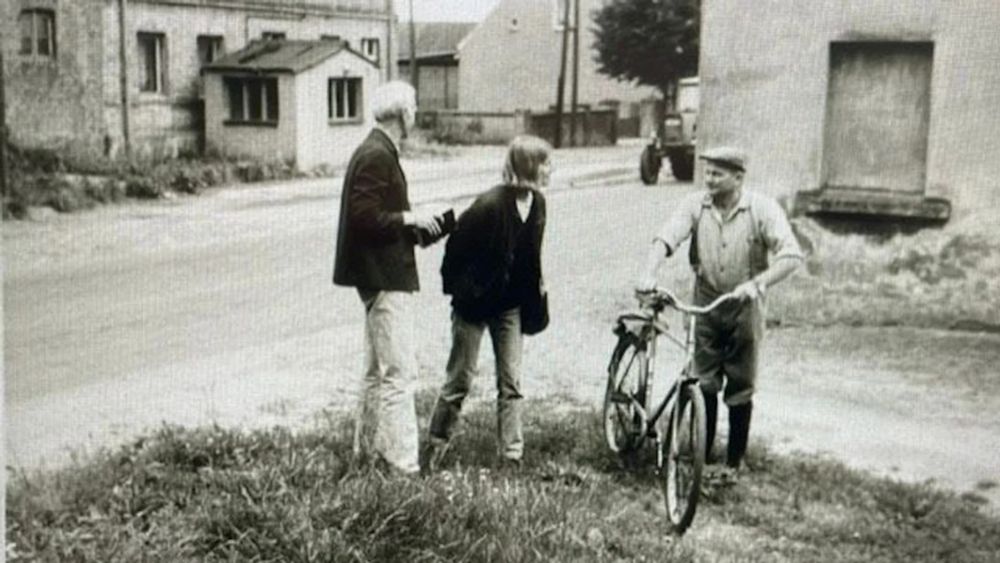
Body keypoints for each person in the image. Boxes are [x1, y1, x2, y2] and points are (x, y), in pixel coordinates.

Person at [636, 146, 803, 475]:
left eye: (717, 174)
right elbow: (667, 237)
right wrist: (649, 272)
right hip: (705, 302)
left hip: (745, 306)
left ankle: (734, 461)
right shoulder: (696, 205)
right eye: (707, 173)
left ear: (738, 178)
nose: (709, 179)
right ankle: (704, 455)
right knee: (704, 380)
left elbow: (791, 255)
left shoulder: (761, 209)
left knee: (742, 382)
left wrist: (758, 284)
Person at [333, 81, 445, 475]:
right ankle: (402, 464)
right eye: (412, 107)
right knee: (399, 373)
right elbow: (365, 218)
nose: (415, 114)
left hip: (376, 275)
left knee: (375, 372)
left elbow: (373, 217)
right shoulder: (378, 155)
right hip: (385, 277)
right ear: (402, 114)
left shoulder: (373, 150)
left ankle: (366, 454)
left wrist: (418, 228)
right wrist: (408, 218)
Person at [426, 135, 552, 470]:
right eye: (545, 163)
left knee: (511, 383)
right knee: (460, 380)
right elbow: (454, 253)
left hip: (510, 306)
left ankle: (511, 456)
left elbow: (529, 258)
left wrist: (534, 300)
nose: (550, 170)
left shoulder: (538, 205)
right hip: (474, 305)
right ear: (529, 167)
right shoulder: (489, 206)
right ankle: (435, 447)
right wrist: (466, 292)